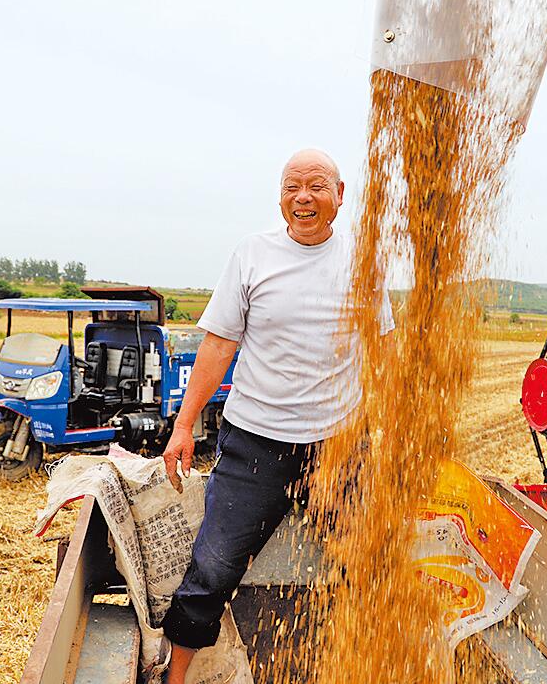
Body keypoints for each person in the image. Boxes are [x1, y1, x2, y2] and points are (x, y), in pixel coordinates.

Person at [159, 148, 393, 683]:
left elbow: (381, 355)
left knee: (369, 567)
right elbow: (218, 346)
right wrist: (184, 424)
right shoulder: (252, 255)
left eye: (316, 186)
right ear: (281, 198)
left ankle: (365, 664)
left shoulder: (364, 261)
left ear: (340, 194)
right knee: (213, 568)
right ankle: (175, 677)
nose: (303, 197)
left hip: (338, 447)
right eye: (292, 187)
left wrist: (391, 436)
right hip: (255, 444)